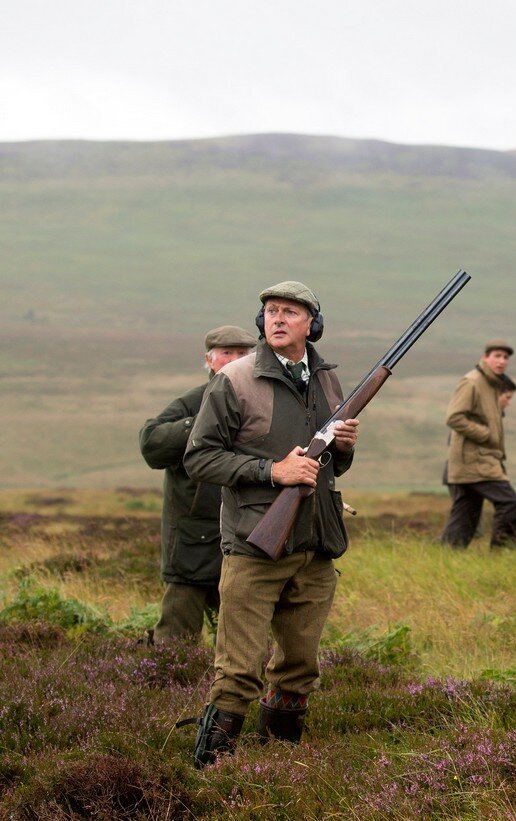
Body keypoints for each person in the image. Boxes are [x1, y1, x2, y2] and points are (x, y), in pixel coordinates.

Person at [182, 281, 360, 768]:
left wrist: (342, 447)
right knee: (238, 670)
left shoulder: (327, 380)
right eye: (270, 311)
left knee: (300, 667)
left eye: (290, 312)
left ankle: (279, 768)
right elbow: (199, 459)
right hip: (254, 545)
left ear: (312, 324)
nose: (276, 319)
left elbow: (332, 469)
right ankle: (210, 772)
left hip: (316, 544)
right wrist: (270, 471)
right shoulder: (235, 380)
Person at [138, 325, 256, 645]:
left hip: (242, 537)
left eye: (242, 354)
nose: (233, 361)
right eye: (226, 354)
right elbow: (151, 444)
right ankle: (162, 691)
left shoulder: (260, 403)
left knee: (240, 639)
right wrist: (200, 420)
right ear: (209, 360)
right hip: (190, 540)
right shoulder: (192, 402)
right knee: (175, 641)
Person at [438, 340, 516, 549]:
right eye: (497, 356)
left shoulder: (493, 384)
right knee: (510, 504)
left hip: (477, 460)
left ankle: (445, 558)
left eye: (505, 357)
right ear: (485, 357)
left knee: (465, 515)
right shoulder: (473, 382)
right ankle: (502, 556)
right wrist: (485, 434)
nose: (502, 361)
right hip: (475, 461)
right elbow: (454, 417)